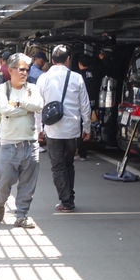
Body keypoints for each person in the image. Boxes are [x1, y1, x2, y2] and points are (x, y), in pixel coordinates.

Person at [38, 44, 92, 212]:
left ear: (53, 60)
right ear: (68, 59)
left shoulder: (43, 78)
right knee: (69, 164)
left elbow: (38, 107)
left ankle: (66, 201)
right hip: (72, 129)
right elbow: (85, 106)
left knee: (57, 166)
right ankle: (69, 197)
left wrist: (38, 129)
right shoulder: (77, 78)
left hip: (52, 129)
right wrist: (87, 128)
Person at [0, 53, 42, 229]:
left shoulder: (33, 88)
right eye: (21, 69)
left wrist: (18, 103)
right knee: (4, 182)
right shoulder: (1, 89)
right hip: (9, 144)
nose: (25, 73)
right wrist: (26, 107)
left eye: (27, 70)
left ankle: (22, 215)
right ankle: (0, 202)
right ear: (11, 70)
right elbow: (5, 109)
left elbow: (38, 105)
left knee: (28, 184)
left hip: (30, 143)